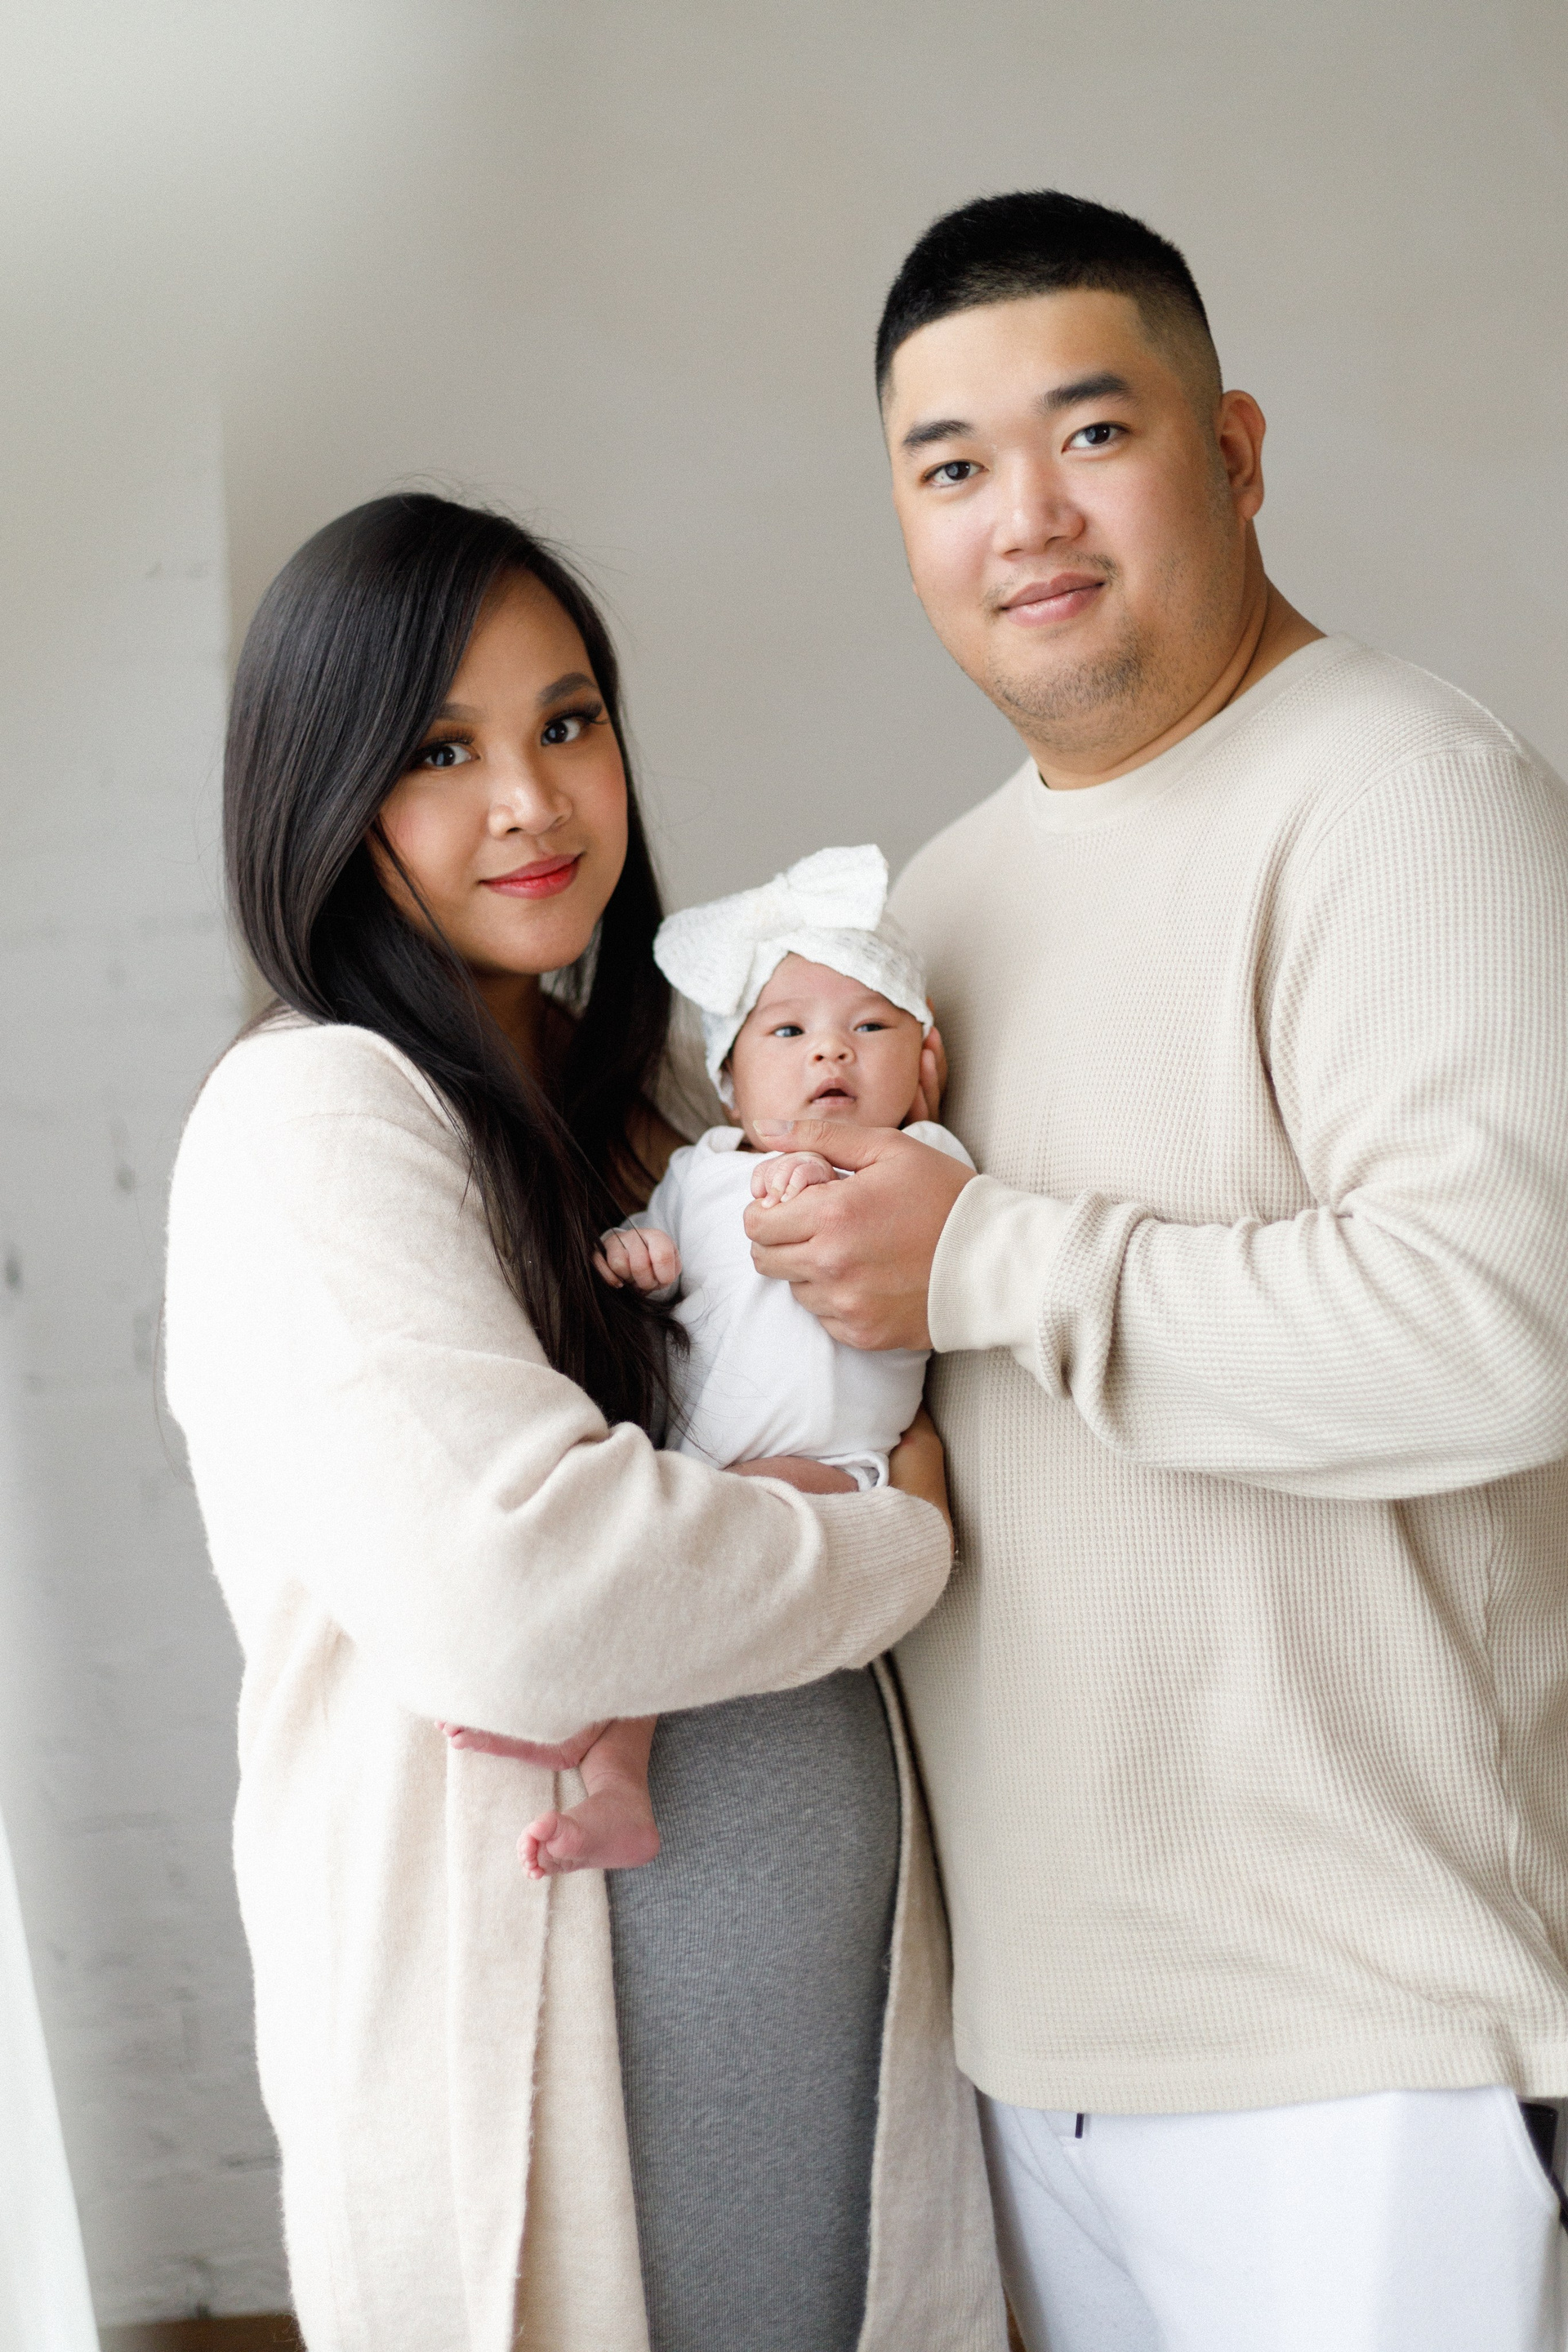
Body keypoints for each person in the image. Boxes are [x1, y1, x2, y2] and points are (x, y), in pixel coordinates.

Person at [744, 189, 1568, 2352]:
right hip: (1042, 2040)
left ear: (1236, 450)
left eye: (1091, 433)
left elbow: (1496, 1334)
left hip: (1367, 2041)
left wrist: (983, 1256)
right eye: (951, 466)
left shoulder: (1411, 793)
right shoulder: (933, 914)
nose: (1024, 515)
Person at [163, 492, 1007, 2352]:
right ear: (323, 797)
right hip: (571, 2068)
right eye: (439, 751)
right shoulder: (315, 1117)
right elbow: (523, 1595)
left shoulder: (652, 1110)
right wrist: (897, 1530)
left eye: (566, 722)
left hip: (814, 2051)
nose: (532, 801)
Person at [456, 844, 973, 1878]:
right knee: (658, 1568)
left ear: (924, 1069)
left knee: (697, 1546)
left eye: (871, 1028)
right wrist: (636, 1256)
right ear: (731, 1083)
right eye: (788, 1032)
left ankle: (588, 1724)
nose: (831, 1052)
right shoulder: (701, 1174)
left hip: (836, 1470)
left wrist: (821, 1175)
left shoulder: (923, 1162)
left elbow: (930, 1234)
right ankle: (615, 1779)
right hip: (694, 1461)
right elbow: (656, 1251)